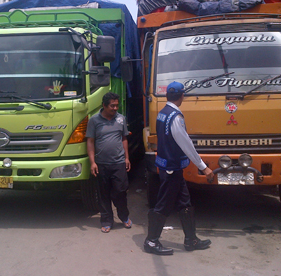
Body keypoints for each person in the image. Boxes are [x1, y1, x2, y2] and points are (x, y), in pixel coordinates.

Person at [144, 81, 214, 255]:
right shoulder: (175, 117)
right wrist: (203, 167)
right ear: (182, 96)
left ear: (168, 95)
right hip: (171, 168)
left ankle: (191, 239)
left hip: (170, 167)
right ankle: (151, 241)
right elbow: (186, 144)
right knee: (163, 205)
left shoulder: (162, 113)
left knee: (185, 203)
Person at [86, 92, 132, 233]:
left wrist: (127, 157)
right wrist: (92, 162)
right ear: (104, 105)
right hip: (101, 164)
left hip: (118, 163)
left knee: (120, 192)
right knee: (103, 194)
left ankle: (124, 216)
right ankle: (106, 221)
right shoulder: (94, 121)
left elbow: (124, 138)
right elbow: (90, 141)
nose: (115, 108)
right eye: (112, 106)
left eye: (117, 105)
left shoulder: (121, 119)